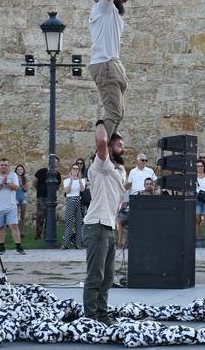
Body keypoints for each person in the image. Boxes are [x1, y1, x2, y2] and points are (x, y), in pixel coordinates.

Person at [82, 122, 126, 325]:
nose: (123, 149)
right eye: (119, 145)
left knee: (108, 277)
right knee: (95, 277)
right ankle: (90, 318)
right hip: (96, 226)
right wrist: (104, 121)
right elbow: (101, 140)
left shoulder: (119, 170)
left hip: (107, 228)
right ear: (109, 149)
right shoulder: (101, 166)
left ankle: (102, 315)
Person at [88, 0, 130, 143]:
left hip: (112, 63)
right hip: (106, 63)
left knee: (118, 114)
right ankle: (101, 157)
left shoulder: (110, 12)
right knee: (113, 112)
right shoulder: (104, 8)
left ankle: (109, 147)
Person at [0, 158, 25, 256]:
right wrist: (1, 184)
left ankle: (18, 246)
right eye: (2, 165)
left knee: (13, 226)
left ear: (8, 167)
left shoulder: (13, 175)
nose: (4, 167)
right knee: (0, 227)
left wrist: (7, 183)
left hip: (11, 205)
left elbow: (16, 187)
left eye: (6, 165)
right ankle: (2, 247)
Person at [62, 163, 86, 249]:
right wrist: (71, 181)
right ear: (71, 170)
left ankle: (78, 243)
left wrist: (79, 180)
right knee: (69, 222)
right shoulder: (67, 181)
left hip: (78, 200)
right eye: (73, 169)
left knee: (79, 222)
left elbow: (82, 189)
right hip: (70, 200)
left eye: (77, 169)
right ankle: (65, 244)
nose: (75, 170)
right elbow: (67, 191)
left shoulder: (81, 181)